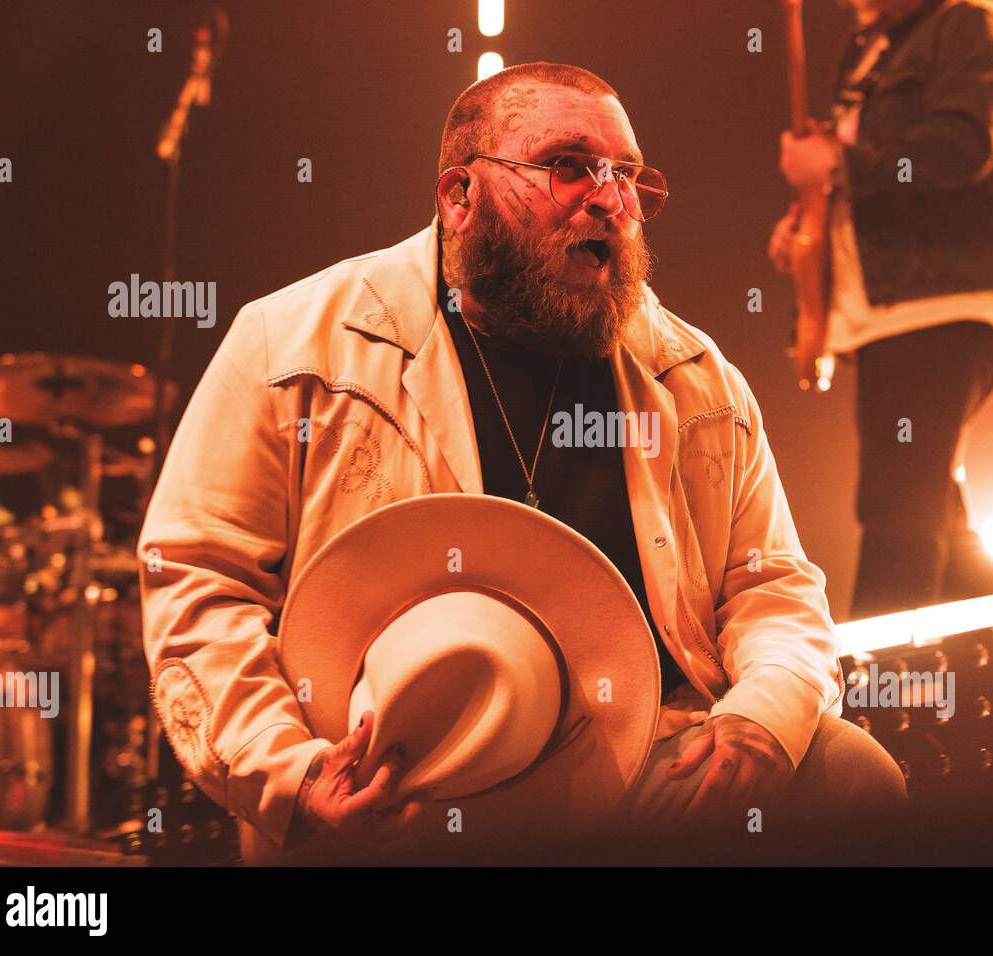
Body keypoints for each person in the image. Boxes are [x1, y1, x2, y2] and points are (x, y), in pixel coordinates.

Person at [140, 62, 904, 862]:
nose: (610, 198)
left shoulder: (696, 379)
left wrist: (762, 716)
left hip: (644, 764)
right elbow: (198, 579)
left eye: (628, 175)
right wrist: (292, 776)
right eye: (568, 166)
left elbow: (770, 582)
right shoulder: (287, 346)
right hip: (397, 789)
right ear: (458, 196)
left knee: (852, 779)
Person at [773, 0, 993, 618]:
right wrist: (809, 221)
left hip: (946, 298)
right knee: (932, 513)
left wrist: (838, 163)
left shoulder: (969, 24)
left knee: (896, 502)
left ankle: (883, 695)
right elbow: (868, 168)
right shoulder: (868, 48)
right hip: (892, 307)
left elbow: (961, 147)